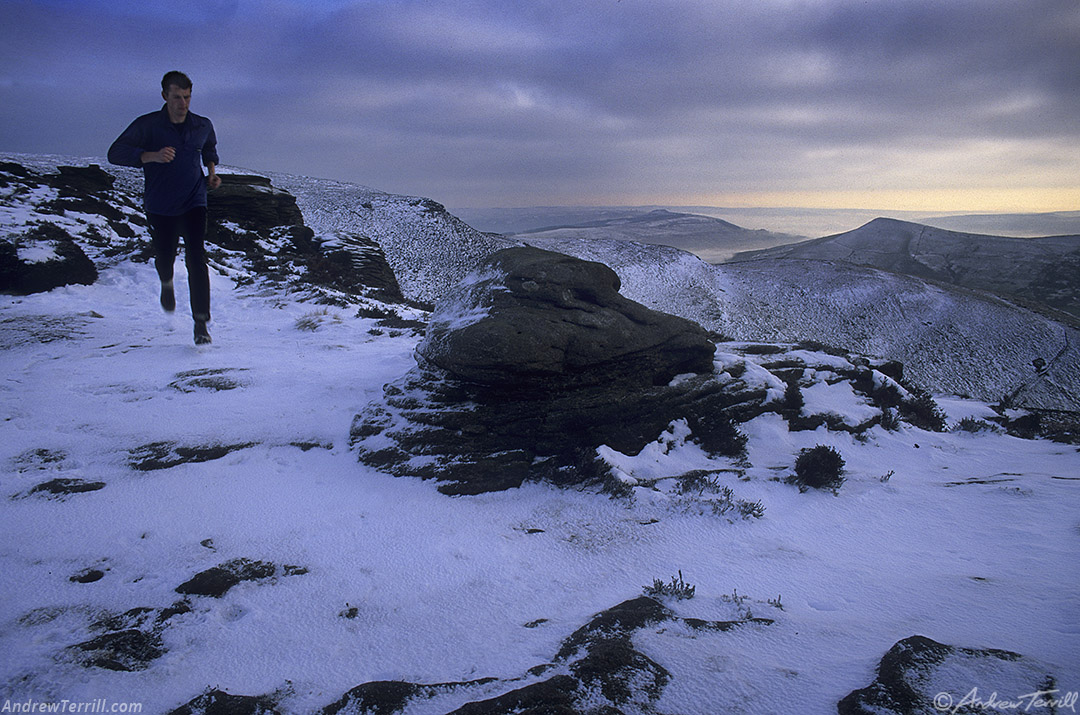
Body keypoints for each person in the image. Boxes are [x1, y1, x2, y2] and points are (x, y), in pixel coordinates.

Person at [108, 70, 221, 344]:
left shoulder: (202, 124)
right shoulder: (147, 126)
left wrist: (212, 172)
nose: (183, 103)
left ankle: (200, 323)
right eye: (177, 97)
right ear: (164, 96)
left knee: (196, 257)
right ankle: (167, 282)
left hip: (195, 199)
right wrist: (150, 156)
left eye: (187, 97)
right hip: (160, 204)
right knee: (165, 256)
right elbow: (115, 153)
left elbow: (209, 147)